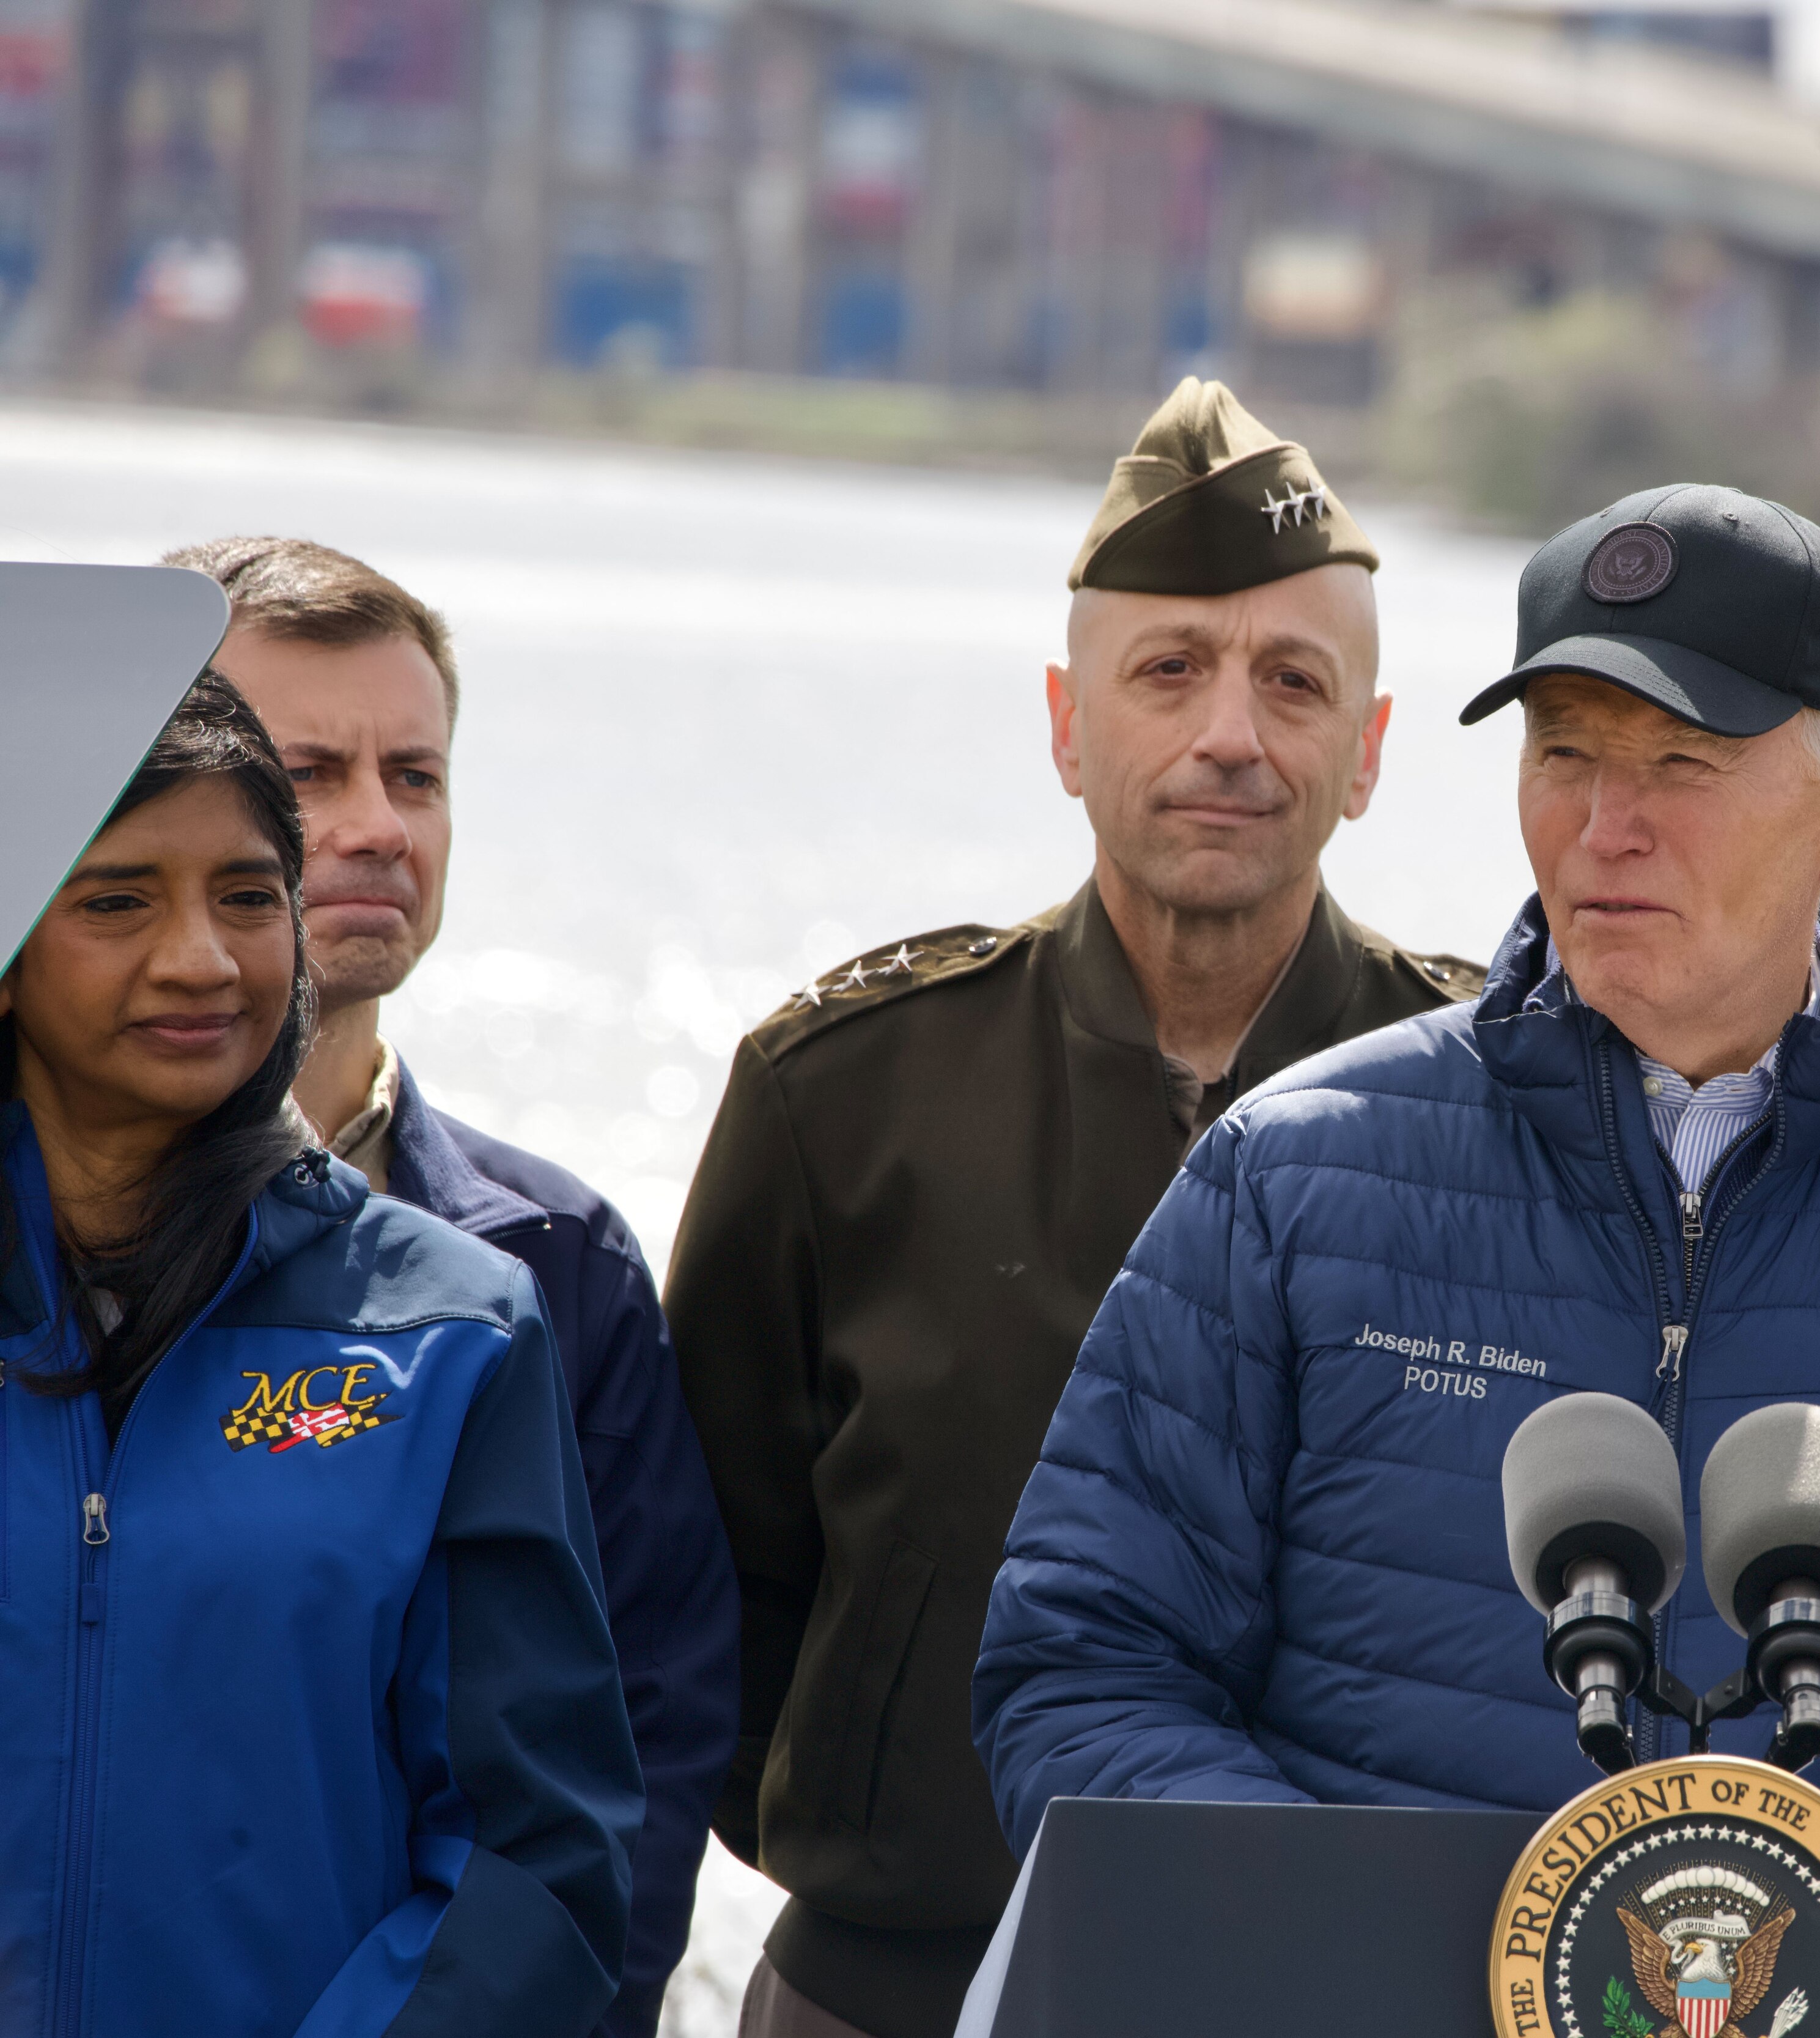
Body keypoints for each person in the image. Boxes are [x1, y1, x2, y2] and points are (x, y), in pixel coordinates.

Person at [973, 484, 1820, 1863]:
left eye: (1681, 762)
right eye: (1564, 754)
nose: (1606, 826)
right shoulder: (1286, 1179)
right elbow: (1084, 1671)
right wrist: (1362, 1958)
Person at [667, 378, 1483, 2038]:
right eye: (1168, 669)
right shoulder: (842, 1096)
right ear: (1066, 722)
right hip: (885, 1982)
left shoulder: (1494, 1113)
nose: (1230, 734)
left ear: (1371, 751)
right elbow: (696, 1588)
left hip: (1350, 1993)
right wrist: (883, 1819)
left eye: (1293, 680)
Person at [0, 655, 639, 2035]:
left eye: (248, 894)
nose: (202, 956)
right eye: (117, 898)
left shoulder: (447, 1331)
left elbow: (537, 1847)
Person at [169, 534, 737, 2038]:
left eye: (414, 776)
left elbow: (644, 1748)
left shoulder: (553, 1262)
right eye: (310, 770)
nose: (375, 825)